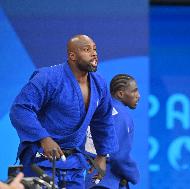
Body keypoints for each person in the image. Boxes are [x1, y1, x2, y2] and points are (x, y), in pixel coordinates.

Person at [9, 34, 118, 188]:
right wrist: (44, 138)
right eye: (86, 50)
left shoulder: (99, 83)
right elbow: (20, 109)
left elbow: (103, 120)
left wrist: (102, 155)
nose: (94, 53)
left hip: (74, 164)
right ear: (72, 55)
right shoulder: (47, 77)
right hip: (41, 161)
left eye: (94, 49)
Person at [85, 74, 140, 189]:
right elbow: (118, 156)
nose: (138, 96)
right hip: (108, 183)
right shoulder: (121, 116)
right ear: (121, 94)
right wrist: (133, 175)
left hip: (90, 180)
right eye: (134, 91)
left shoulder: (99, 108)